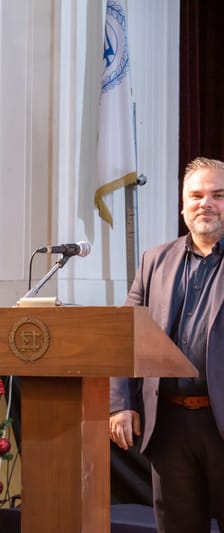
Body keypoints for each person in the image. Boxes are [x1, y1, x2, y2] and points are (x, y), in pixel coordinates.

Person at [109, 156, 224, 532]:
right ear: (183, 204)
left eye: (217, 195)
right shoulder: (154, 260)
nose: (205, 203)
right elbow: (126, 333)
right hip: (169, 424)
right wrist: (121, 404)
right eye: (196, 195)